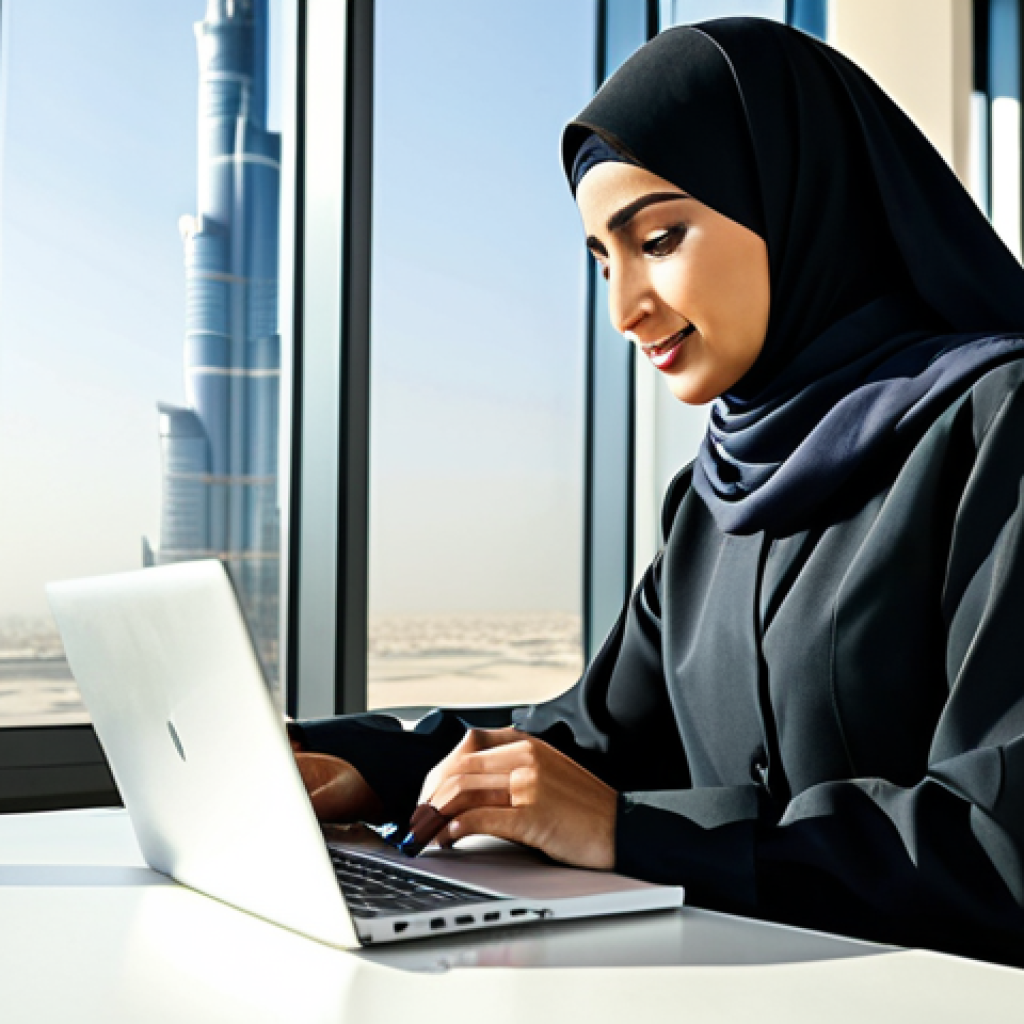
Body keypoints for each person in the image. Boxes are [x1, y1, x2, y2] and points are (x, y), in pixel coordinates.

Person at [289, 18, 1024, 965]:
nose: (623, 308)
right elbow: (593, 741)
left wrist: (640, 836)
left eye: (660, 238)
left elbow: (999, 842)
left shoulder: (994, 426)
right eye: (603, 259)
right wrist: (370, 768)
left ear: (796, 200)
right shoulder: (712, 496)